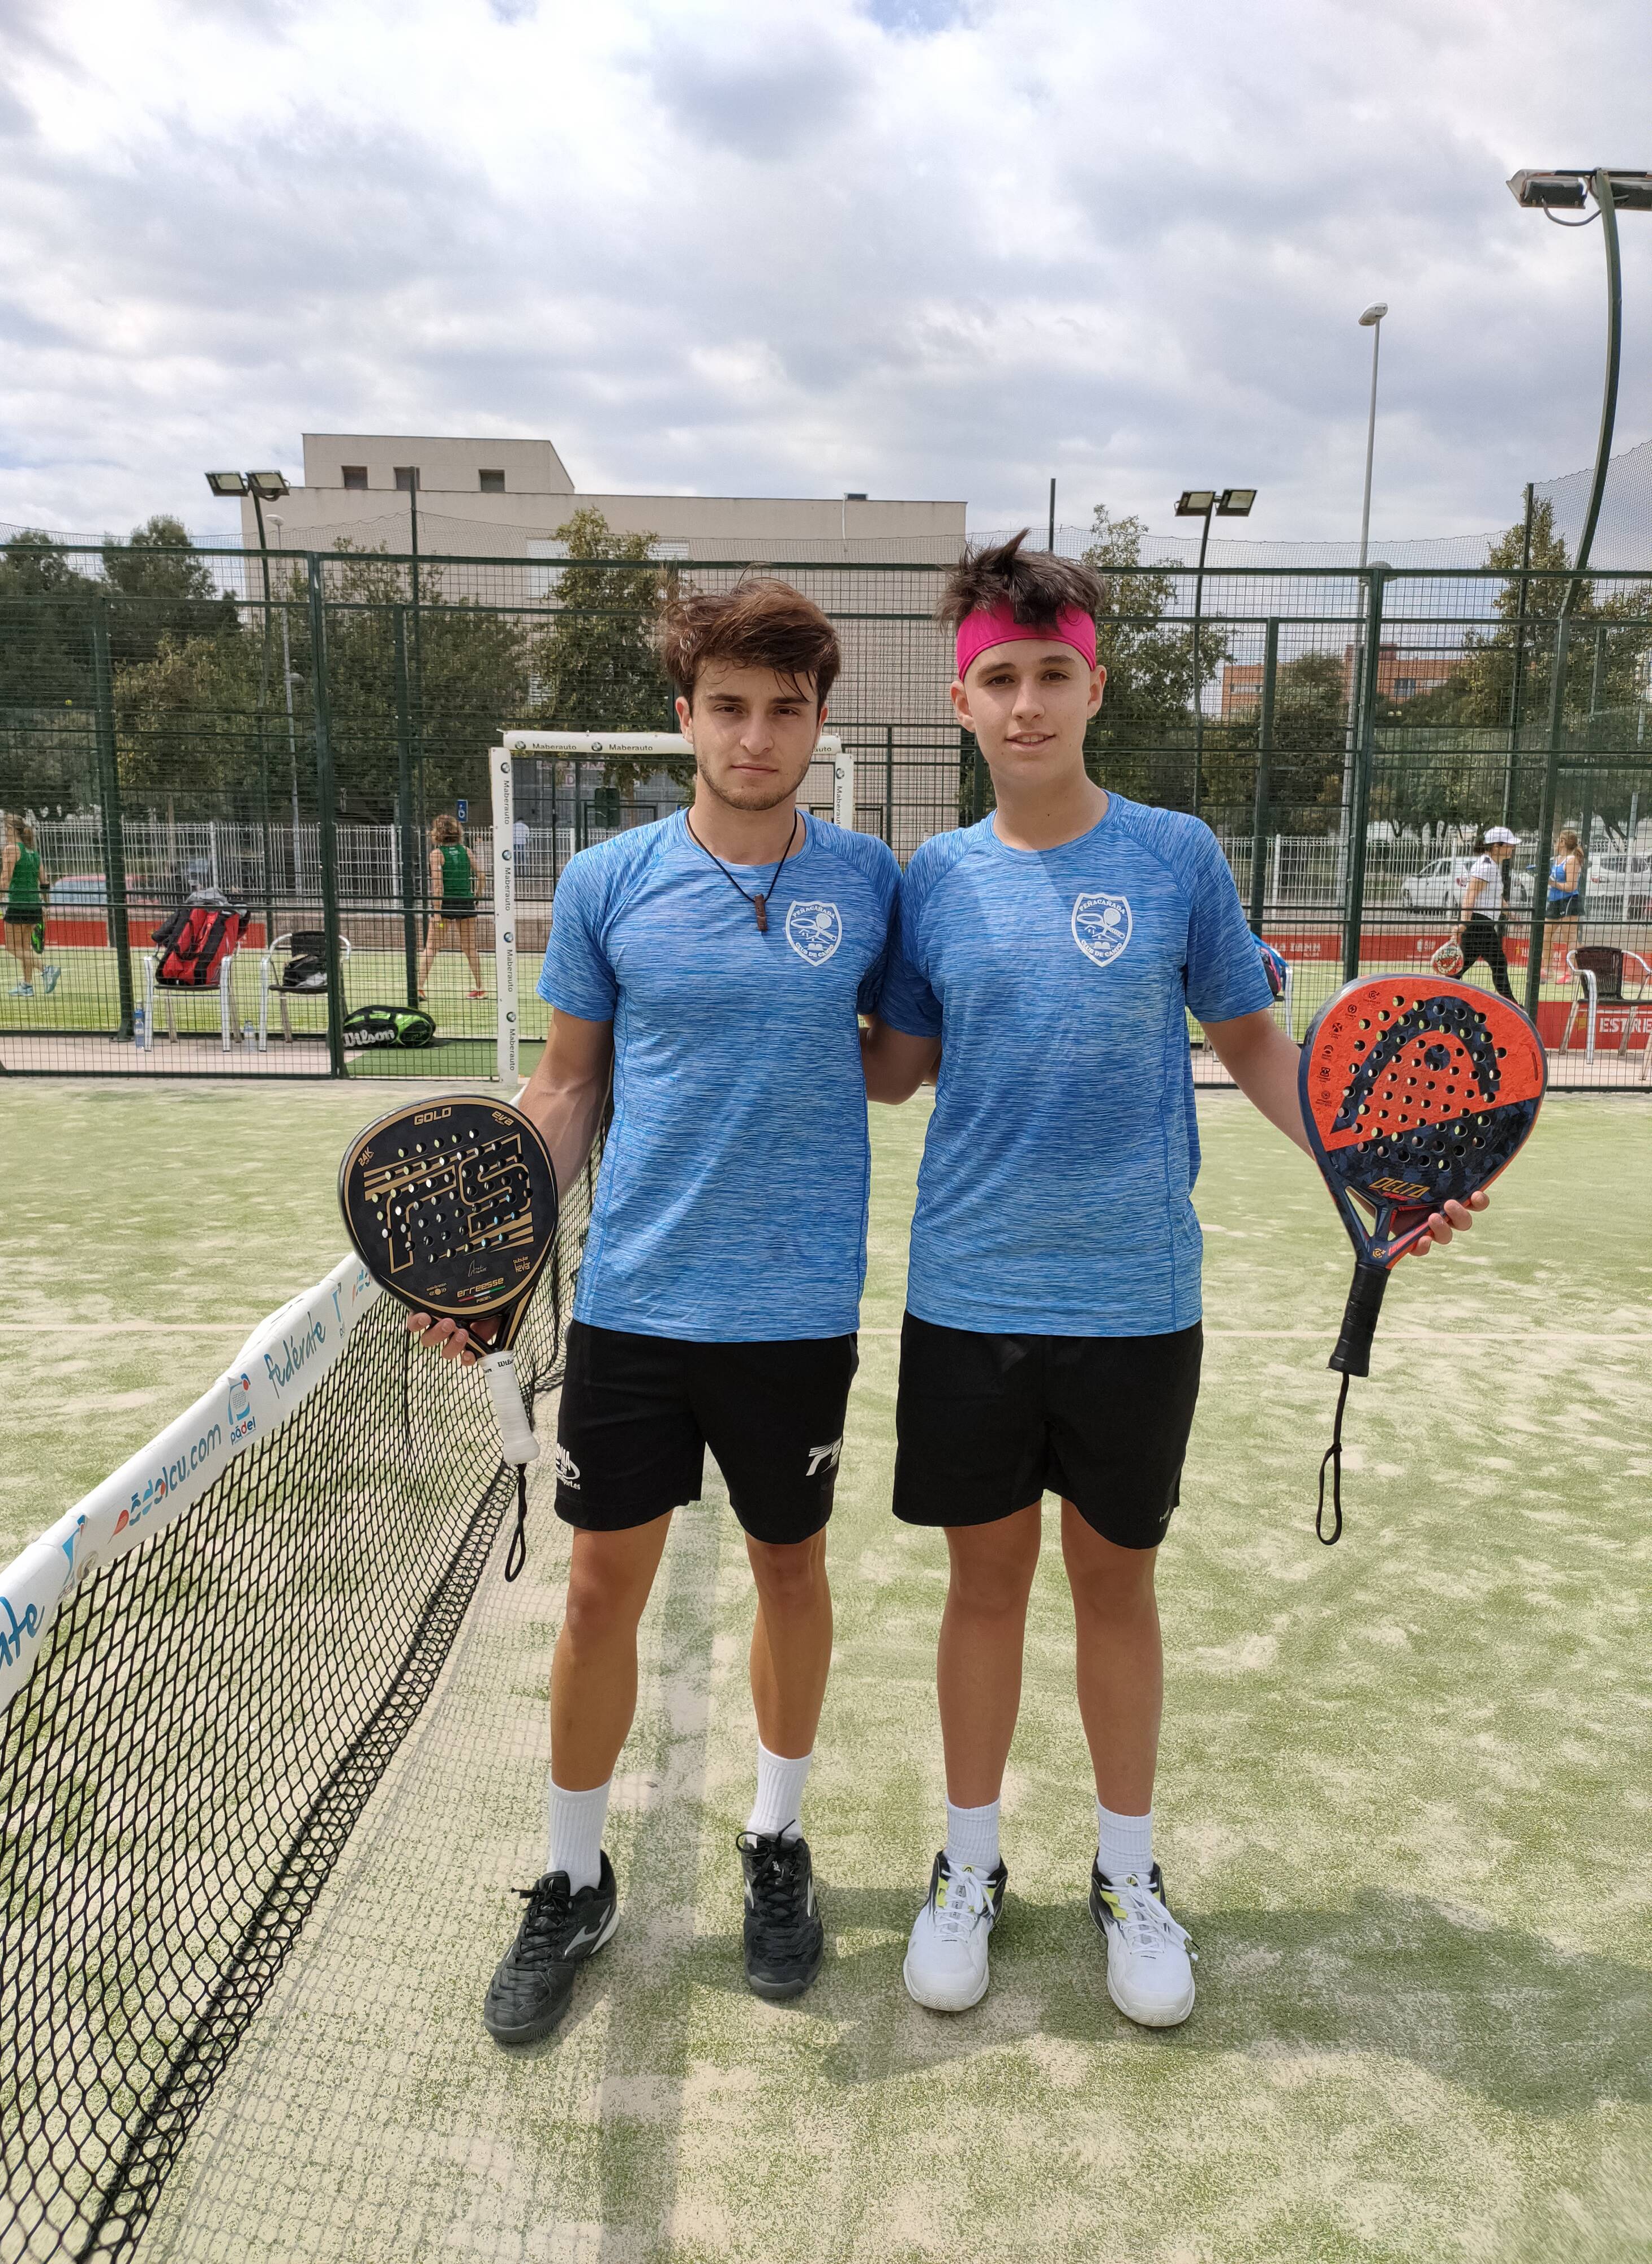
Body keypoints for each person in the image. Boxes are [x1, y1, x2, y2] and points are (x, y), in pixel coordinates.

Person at [861, 533, 1488, 2031]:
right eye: (999, 680)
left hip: (1138, 1299)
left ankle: (1129, 1876)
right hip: (970, 1295)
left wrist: (1375, 1168)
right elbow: (891, 1071)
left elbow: (1258, 1044)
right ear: (961, 702)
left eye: (1051, 674)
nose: (1026, 703)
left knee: (1117, 1587)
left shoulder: (1175, 856)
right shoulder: (932, 878)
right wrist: (752, 1006)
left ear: (1095, 688)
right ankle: (968, 1865)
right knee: (984, 1590)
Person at [411, 580, 900, 2046]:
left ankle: (776, 1840)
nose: (756, 736)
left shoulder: (872, 883)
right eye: (728, 707)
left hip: (796, 1311)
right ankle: (573, 1880)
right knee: (594, 1594)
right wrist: (495, 1258)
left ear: (817, 721)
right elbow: (568, 1085)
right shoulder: (606, 881)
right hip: (634, 1305)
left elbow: (900, 1060)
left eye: (784, 710)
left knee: (790, 1571)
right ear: (685, 715)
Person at [420, 813, 486, 997]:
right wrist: (477, 897)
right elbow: (481, 876)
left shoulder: (437, 854)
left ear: (438, 833)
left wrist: (437, 912)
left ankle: (418, 988)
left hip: (446, 904)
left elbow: (438, 886)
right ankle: (480, 988)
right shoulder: (466, 851)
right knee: (470, 948)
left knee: (431, 947)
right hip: (466, 903)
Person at [1452, 826, 1517, 1000]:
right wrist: (1464, 923)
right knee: (1499, 963)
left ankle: (1440, 994)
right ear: (1496, 846)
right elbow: (1470, 896)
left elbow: (1495, 896)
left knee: (1460, 967)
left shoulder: (1491, 865)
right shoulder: (1486, 866)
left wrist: (1511, 914)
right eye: (1509, 845)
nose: (1512, 848)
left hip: (1481, 922)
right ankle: (1511, 1004)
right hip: (1479, 923)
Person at [0, 814, 58, 997]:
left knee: (11, 947)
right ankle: (27, 985)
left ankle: (46, 969)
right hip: (35, 906)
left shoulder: (11, 849)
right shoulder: (33, 853)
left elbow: (5, 879)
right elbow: (44, 882)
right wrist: (46, 905)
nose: (4, 832)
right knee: (24, 948)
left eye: (6, 828)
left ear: (12, 830)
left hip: (18, 904)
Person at [1542, 826, 1583, 980]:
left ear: (1563, 842)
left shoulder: (1572, 860)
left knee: (1570, 938)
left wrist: (1552, 883)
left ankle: (1572, 973)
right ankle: (1548, 970)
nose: (1555, 844)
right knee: (1546, 936)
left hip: (1568, 902)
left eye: (1557, 841)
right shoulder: (1557, 859)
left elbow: (1571, 886)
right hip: (1554, 901)